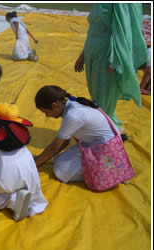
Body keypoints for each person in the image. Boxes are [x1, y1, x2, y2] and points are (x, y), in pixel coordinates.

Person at [74, 3, 149, 134]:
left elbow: (124, 29)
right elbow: (95, 29)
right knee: (97, 94)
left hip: (107, 55)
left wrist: (116, 59)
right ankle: (111, 126)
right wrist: (83, 56)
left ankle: (107, 133)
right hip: (94, 52)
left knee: (104, 97)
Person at [33, 85, 123, 184]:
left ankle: (106, 172)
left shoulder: (72, 115)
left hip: (107, 149)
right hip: (102, 142)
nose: (47, 116)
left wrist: (34, 163)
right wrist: (41, 159)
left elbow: (53, 148)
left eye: (46, 112)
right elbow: (63, 142)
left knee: (61, 169)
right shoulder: (73, 104)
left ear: (55, 106)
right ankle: (105, 168)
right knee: (59, 160)